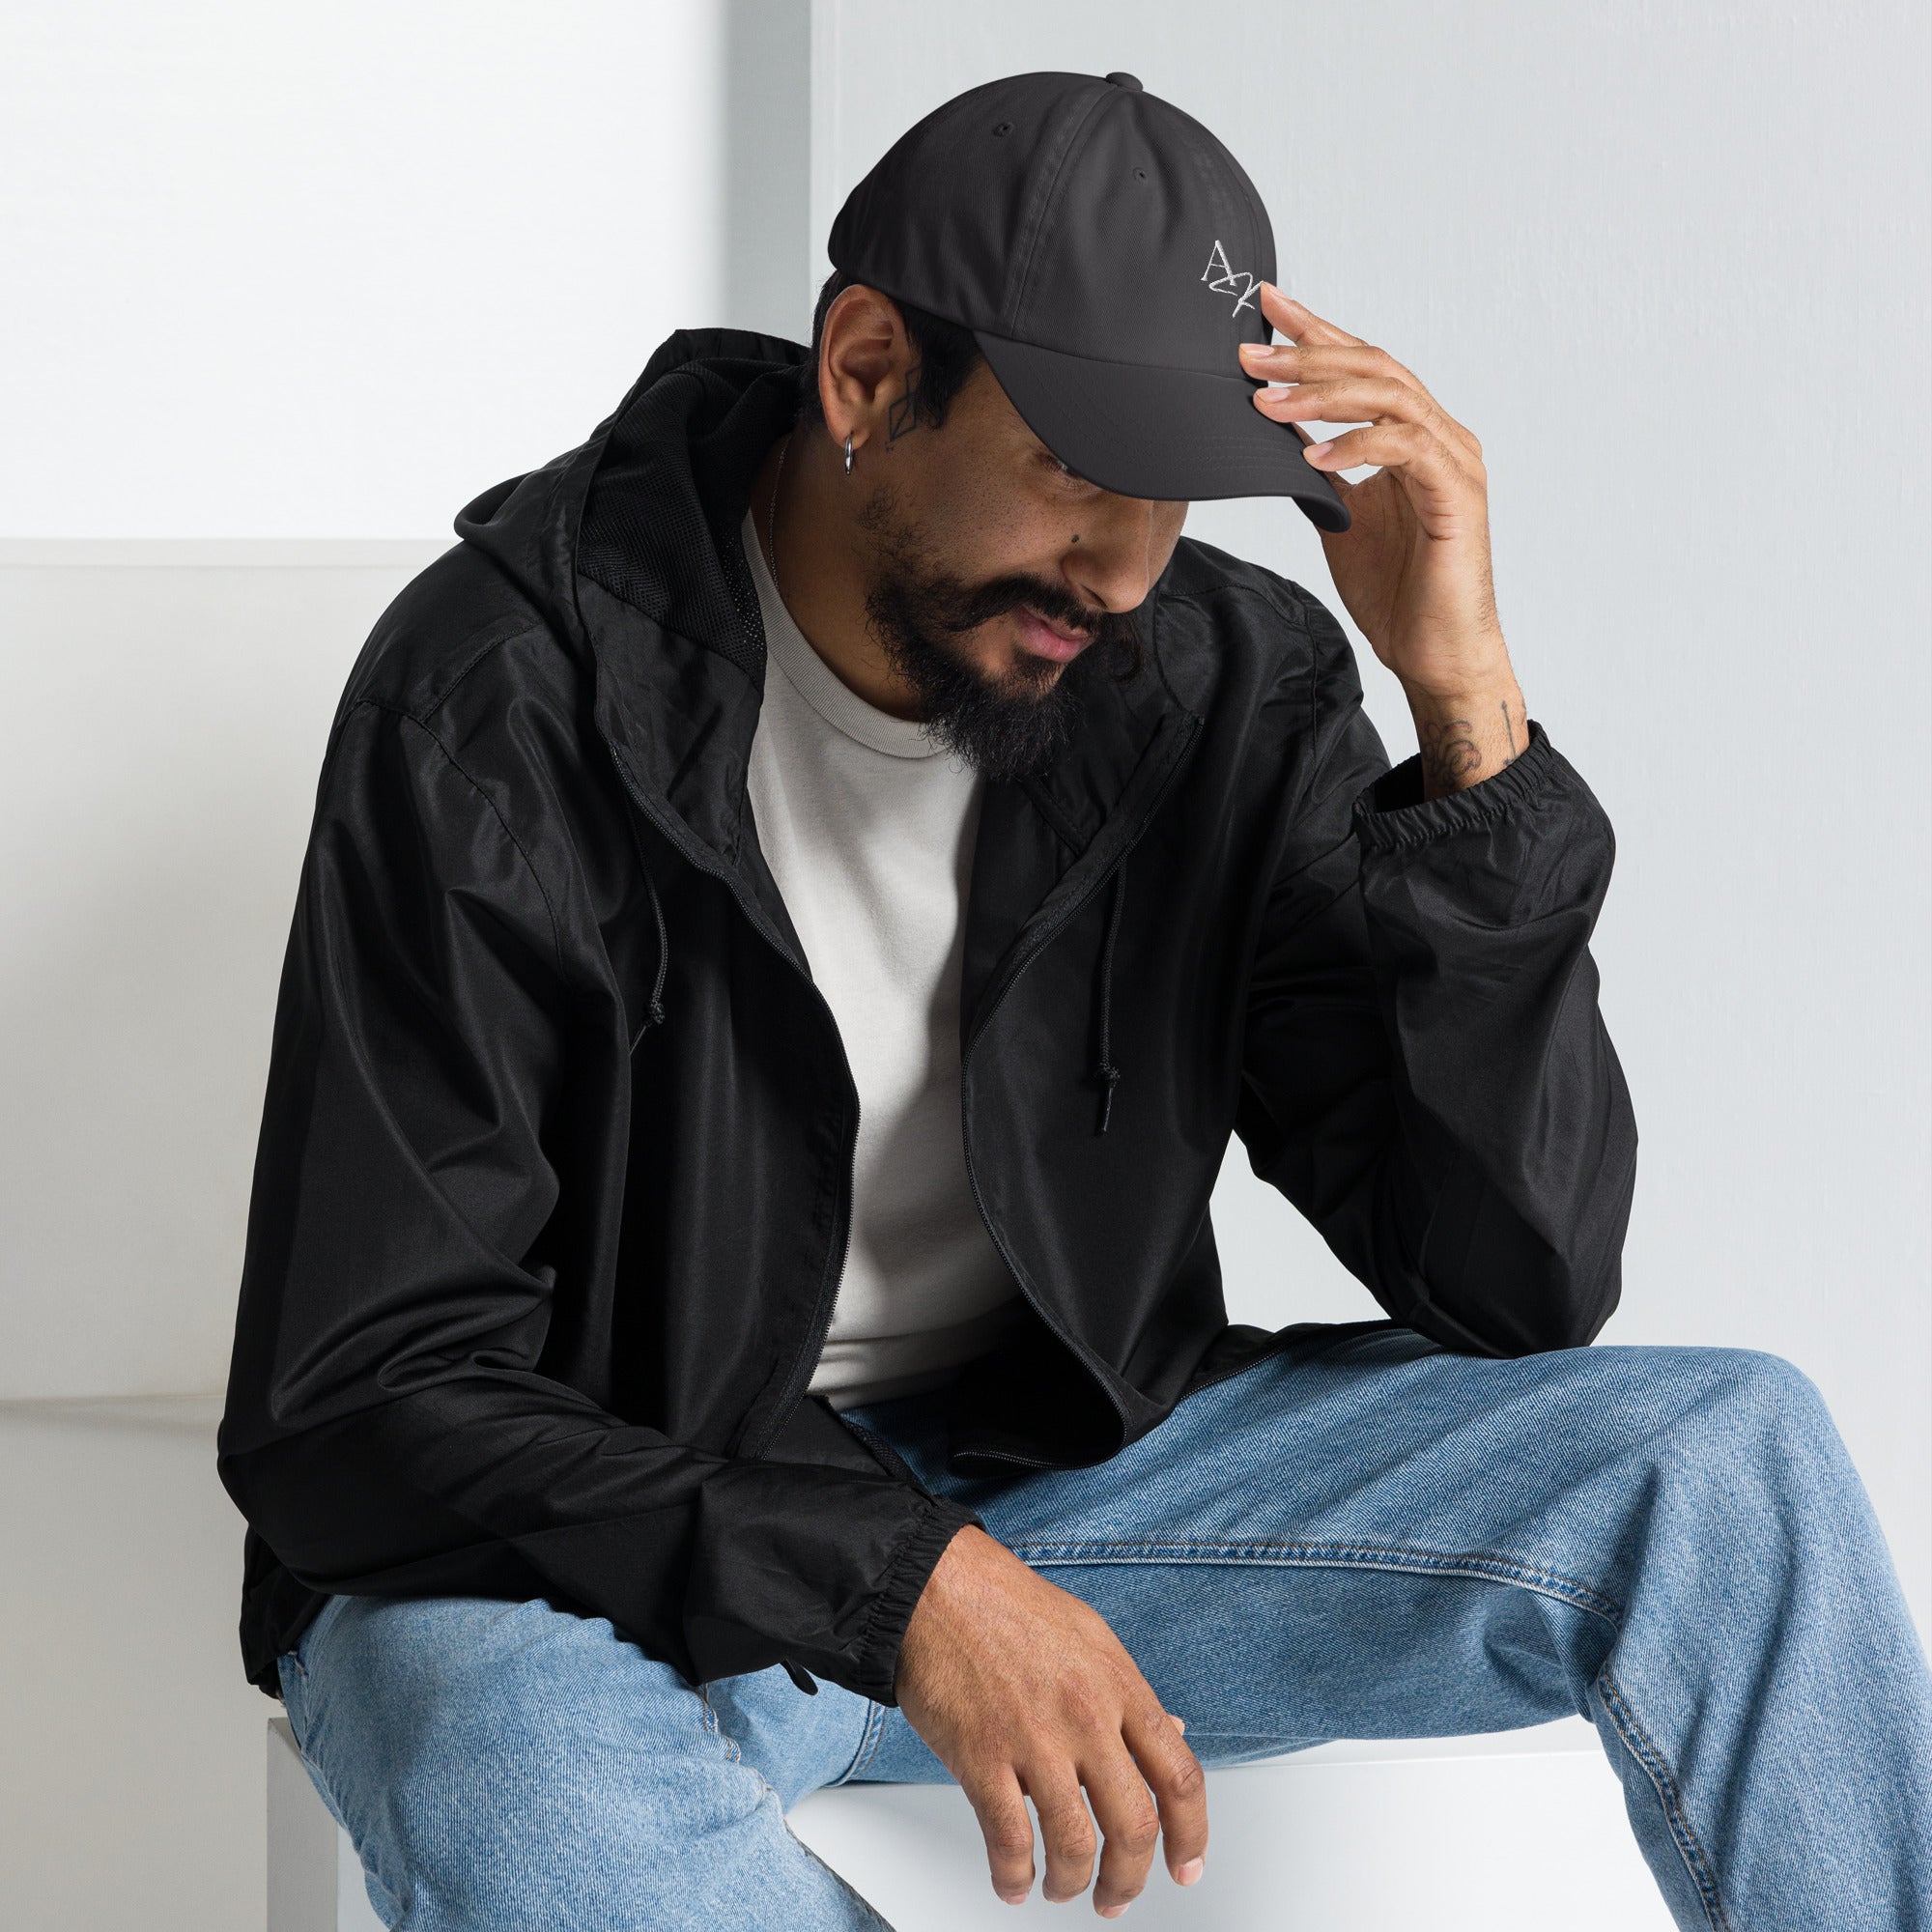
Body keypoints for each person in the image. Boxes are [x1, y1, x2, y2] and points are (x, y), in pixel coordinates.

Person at [218, 70, 1931, 1930]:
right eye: (1083, 474)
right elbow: (357, 1399)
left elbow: (1514, 1283)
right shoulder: (499, 693)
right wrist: (906, 1586)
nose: (1123, 570)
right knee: (530, 1800)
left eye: (1180, 494)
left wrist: (1466, 719)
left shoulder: (1214, 678)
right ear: (866, 373)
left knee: (1726, 1455)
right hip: (608, 1547)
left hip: (1068, 1484)